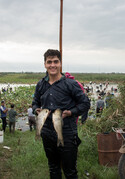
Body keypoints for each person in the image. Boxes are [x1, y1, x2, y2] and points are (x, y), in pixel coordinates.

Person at [32, 49, 90, 178]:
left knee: (70, 171)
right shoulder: (40, 85)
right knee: (53, 168)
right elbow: (35, 102)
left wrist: (71, 112)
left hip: (67, 132)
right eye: (49, 62)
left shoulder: (71, 84)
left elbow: (85, 104)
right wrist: (36, 109)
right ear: (45, 64)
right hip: (46, 131)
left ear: (60, 63)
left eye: (55, 62)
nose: (52, 65)